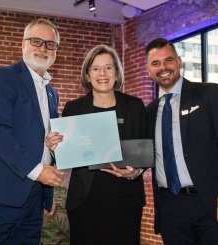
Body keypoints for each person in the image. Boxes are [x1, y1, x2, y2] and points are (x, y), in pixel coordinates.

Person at [0, 19, 65, 245]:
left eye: (50, 44)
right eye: (36, 41)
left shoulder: (52, 93)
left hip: (34, 197)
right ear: (23, 44)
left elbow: (40, 138)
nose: (43, 48)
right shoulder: (1, 78)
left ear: (56, 50)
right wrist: (38, 171)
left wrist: (52, 143)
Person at [145, 38, 218, 245]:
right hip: (170, 206)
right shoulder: (149, 112)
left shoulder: (209, 93)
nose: (163, 68)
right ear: (148, 69)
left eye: (168, 60)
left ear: (179, 61)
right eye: (156, 63)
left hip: (214, 201)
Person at [47, 44, 147, 245]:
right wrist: (55, 147)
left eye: (109, 67)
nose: (102, 74)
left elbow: (145, 152)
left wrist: (135, 173)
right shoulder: (74, 108)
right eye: (95, 68)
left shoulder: (135, 106)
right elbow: (66, 156)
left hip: (126, 201)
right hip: (85, 203)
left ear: (117, 74)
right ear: (87, 75)